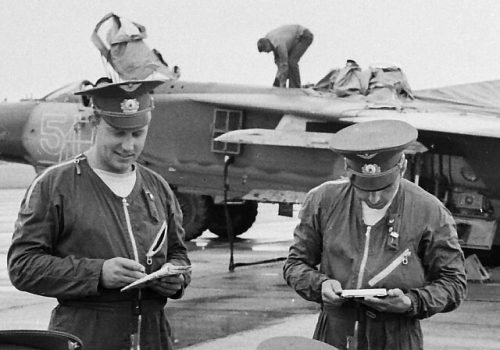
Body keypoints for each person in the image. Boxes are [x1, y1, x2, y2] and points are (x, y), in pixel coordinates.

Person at [8, 79, 191, 350]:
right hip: (85, 338)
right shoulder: (54, 185)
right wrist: (97, 273)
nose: (128, 146)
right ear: (94, 122)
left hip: (154, 338)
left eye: (138, 134)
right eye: (117, 133)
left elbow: (178, 253)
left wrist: (176, 280)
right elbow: (22, 266)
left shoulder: (158, 187)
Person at [283, 120, 467, 350]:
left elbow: (454, 282)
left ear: (403, 166)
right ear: (347, 171)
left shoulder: (430, 210)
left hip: (396, 338)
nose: (374, 199)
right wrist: (320, 285)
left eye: (384, 188)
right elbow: (295, 264)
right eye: (364, 189)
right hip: (335, 334)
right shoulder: (323, 200)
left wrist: (411, 302)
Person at [257, 24, 313, 88]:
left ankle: (295, 87)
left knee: (291, 62)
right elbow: (278, 62)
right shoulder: (268, 39)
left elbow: (284, 64)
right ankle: (286, 84)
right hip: (293, 38)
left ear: (268, 45)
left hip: (304, 36)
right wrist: (278, 79)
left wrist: (280, 82)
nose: (268, 52)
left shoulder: (279, 45)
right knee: (283, 64)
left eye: (267, 50)